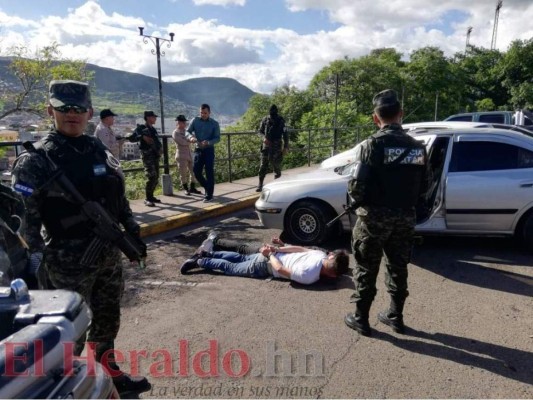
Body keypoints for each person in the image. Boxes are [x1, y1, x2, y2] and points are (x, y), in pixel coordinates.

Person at [11, 80, 151, 394]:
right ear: (51, 110)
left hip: (107, 256)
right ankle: (65, 390)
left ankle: (108, 379)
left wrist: (133, 234)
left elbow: (119, 199)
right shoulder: (34, 161)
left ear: (88, 112)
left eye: (77, 109)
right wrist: (36, 268)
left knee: (107, 322)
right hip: (66, 264)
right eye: (63, 108)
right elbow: (27, 225)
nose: (71, 115)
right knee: (68, 335)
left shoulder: (97, 148)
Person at [344, 89, 428, 337]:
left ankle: (361, 318)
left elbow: (356, 188)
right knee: (398, 266)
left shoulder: (371, 146)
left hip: (374, 220)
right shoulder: (418, 148)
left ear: (375, 118)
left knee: (366, 267)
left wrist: (357, 201)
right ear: (400, 115)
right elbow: (425, 186)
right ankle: (395, 316)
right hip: (405, 218)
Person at [180, 234, 349, 285]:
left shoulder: (319, 255)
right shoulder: (310, 276)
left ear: (331, 257)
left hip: (271, 256)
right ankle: (201, 261)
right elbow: (282, 271)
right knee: (232, 267)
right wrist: (272, 254)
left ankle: (208, 254)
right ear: (333, 275)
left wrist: (277, 249)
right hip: (267, 265)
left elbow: (300, 248)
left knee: (239, 257)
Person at [186, 104, 220, 202]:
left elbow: (217, 138)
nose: (203, 115)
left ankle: (209, 195)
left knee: (209, 172)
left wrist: (209, 142)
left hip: (209, 150)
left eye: (205, 113)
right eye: (201, 112)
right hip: (198, 150)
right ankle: (207, 187)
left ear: (209, 113)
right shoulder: (195, 120)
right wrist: (191, 137)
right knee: (196, 171)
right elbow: (187, 132)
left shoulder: (214, 123)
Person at [129, 110, 162, 207]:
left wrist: (160, 149)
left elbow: (156, 141)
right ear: (148, 117)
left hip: (155, 155)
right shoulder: (141, 128)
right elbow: (132, 138)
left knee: (156, 177)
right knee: (151, 176)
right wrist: (142, 136)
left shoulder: (153, 129)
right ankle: (147, 198)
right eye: (153, 117)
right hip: (147, 155)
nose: (155, 118)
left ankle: (151, 196)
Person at [256, 104, 289, 192]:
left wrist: (286, 147)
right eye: (271, 112)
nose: (272, 114)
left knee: (276, 165)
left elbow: (285, 134)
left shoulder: (281, 120)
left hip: (277, 146)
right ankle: (260, 184)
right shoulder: (265, 119)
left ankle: (277, 184)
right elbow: (259, 132)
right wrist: (264, 138)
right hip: (266, 146)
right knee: (263, 165)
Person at [171, 114, 201, 195]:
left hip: (189, 153)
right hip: (181, 154)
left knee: (194, 171)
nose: (184, 123)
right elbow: (182, 142)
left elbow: (193, 138)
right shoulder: (175, 132)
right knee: (183, 173)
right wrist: (190, 140)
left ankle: (192, 187)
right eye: (183, 122)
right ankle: (185, 188)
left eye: (184, 122)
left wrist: (191, 139)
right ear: (178, 122)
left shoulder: (186, 131)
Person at [95, 108, 123, 178]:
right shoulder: (103, 129)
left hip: (111, 160)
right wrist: (119, 143)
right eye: (112, 117)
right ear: (107, 118)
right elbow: (106, 147)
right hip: (107, 161)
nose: (113, 119)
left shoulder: (107, 128)